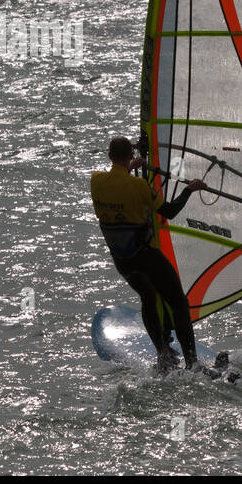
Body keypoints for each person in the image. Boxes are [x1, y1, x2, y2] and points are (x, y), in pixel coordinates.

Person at [90, 135, 208, 373]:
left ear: (110, 156)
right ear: (130, 156)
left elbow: (116, 180)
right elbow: (170, 211)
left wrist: (128, 168)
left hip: (122, 260)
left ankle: (163, 352)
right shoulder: (139, 186)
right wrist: (188, 190)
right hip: (145, 256)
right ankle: (192, 361)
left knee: (148, 296)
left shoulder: (96, 181)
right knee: (178, 303)